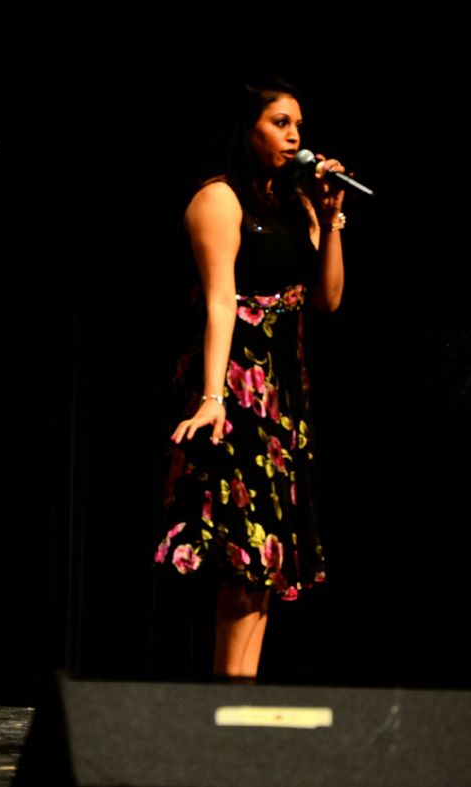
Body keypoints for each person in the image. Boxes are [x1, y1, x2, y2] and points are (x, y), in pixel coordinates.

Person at [155, 79, 345, 680]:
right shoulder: (219, 199)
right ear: (247, 128)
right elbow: (220, 302)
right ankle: (225, 697)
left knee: (268, 562)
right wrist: (212, 397)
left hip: (284, 395)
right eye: (280, 123)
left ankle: (239, 694)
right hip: (236, 387)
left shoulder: (299, 204)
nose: (294, 136)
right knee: (243, 552)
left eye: (298, 125)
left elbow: (327, 299)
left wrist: (333, 220)